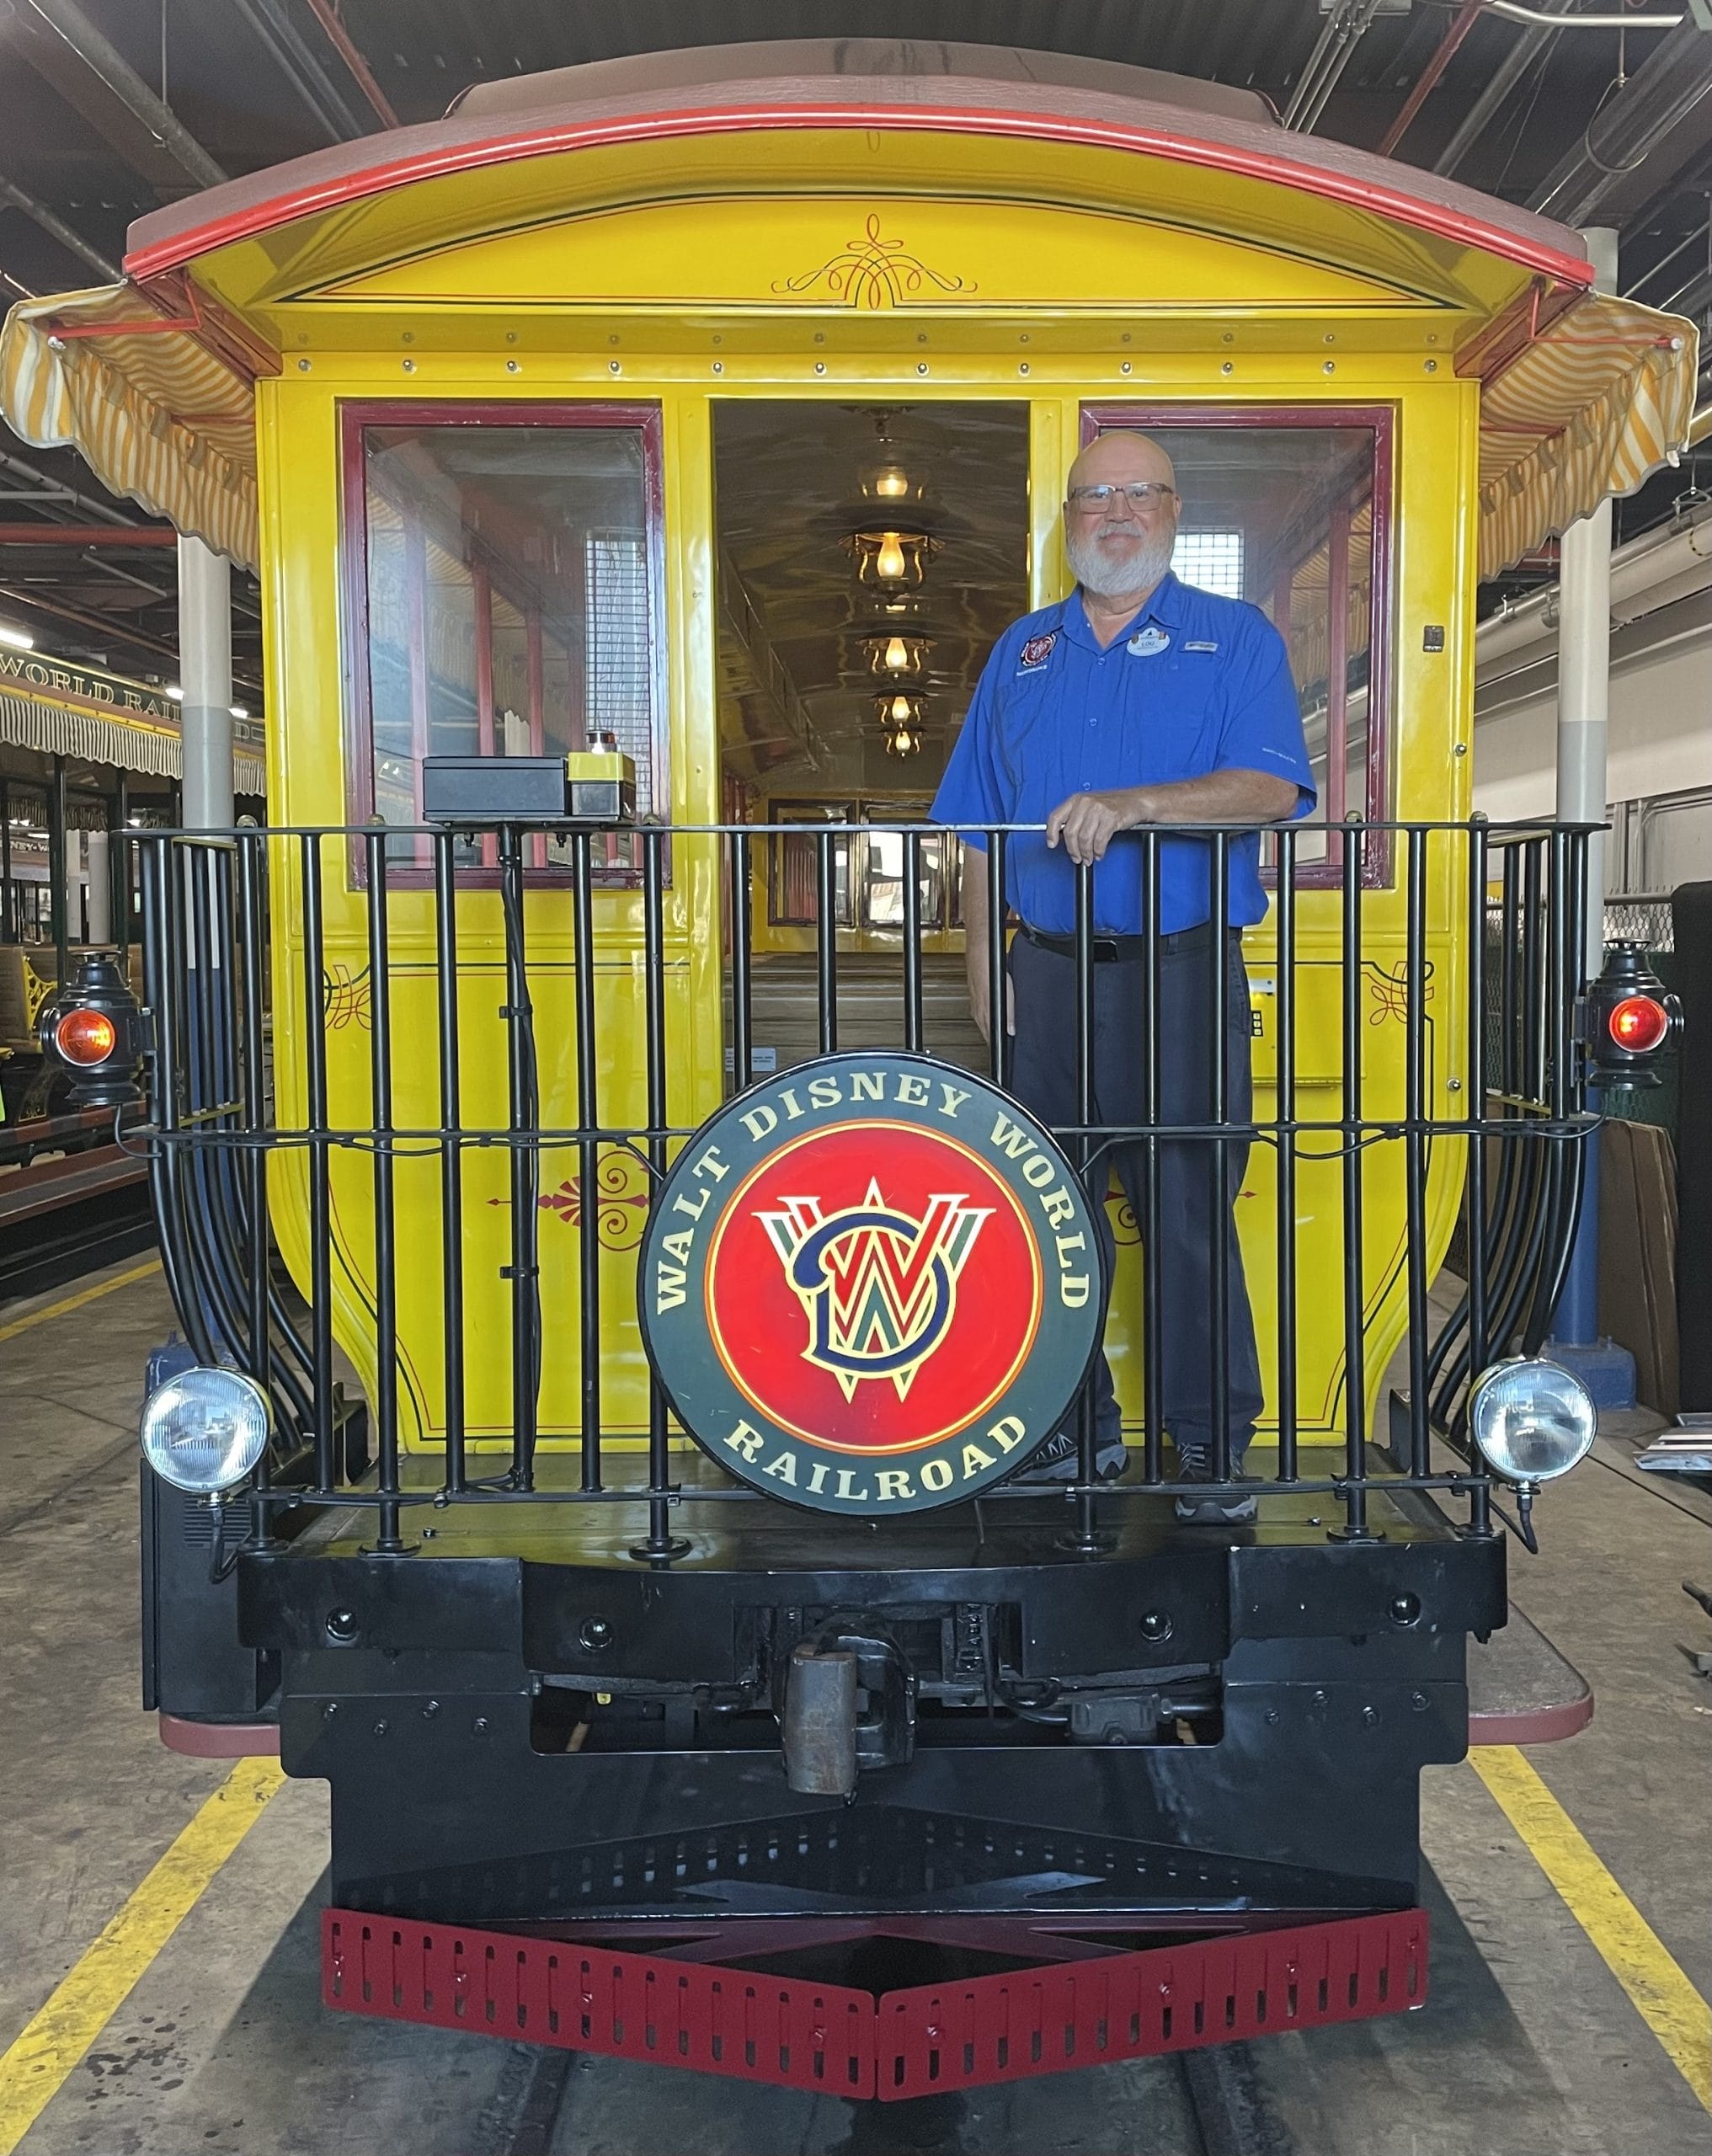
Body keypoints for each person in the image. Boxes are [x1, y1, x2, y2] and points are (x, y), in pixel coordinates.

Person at [930, 430, 1315, 1524]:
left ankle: (1202, 1451)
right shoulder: (1022, 651)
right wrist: (978, 969)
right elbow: (975, 826)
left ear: (1172, 509)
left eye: (1136, 493)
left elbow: (1270, 792)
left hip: (1180, 977)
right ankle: (1065, 1434)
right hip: (1041, 977)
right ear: (1067, 518)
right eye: (1093, 495)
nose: (1115, 512)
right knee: (1046, 1213)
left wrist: (1139, 804)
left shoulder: (1231, 640)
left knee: (1186, 1210)